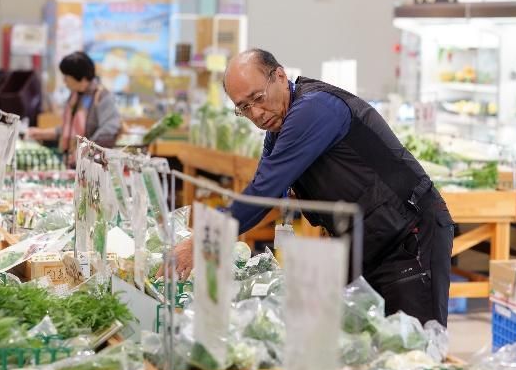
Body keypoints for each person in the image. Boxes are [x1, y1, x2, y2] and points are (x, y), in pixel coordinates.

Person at [172, 48, 454, 325]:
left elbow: (263, 192)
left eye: (258, 98)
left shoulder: (315, 109)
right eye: (244, 107)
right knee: (367, 345)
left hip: (408, 236)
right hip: (364, 240)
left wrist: (203, 240)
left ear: (280, 76)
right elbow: (267, 188)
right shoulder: (279, 125)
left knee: (415, 346)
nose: (256, 113)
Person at [28, 51, 121, 164]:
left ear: (82, 79)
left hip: (91, 167)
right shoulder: (75, 95)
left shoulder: (102, 97)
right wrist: (41, 133)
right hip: (71, 162)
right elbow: (68, 128)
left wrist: (86, 149)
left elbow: (108, 130)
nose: (64, 80)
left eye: (67, 76)